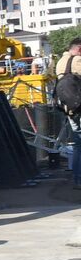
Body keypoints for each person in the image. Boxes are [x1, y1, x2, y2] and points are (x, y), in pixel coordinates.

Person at [57, 40, 81, 188]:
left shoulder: (60, 62)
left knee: (78, 144)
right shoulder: (78, 61)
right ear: (79, 49)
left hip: (69, 109)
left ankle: (77, 179)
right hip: (80, 107)